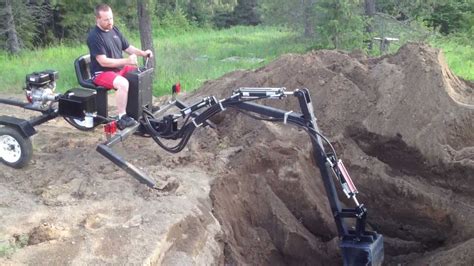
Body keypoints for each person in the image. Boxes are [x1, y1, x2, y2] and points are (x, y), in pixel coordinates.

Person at [87, 4, 153, 129]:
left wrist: (143, 53)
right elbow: (103, 62)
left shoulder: (114, 30)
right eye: (106, 20)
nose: (110, 22)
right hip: (102, 73)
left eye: (111, 18)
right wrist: (126, 61)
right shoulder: (94, 37)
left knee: (141, 73)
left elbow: (128, 47)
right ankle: (122, 117)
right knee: (123, 84)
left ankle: (143, 107)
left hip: (118, 70)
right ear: (98, 19)